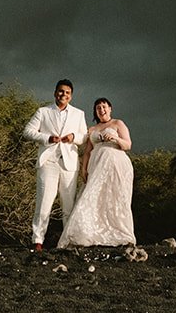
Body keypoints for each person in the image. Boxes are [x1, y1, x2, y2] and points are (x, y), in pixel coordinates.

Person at [58, 97, 135, 248]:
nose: (101, 110)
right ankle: (89, 233)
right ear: (95, 111)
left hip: (116, 164)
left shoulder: (118, 123)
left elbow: (127, 145)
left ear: (110, 108)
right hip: (96, 165)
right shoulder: (92, 130)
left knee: (116, 197)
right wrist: (83, 168)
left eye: (104, 106)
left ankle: (120, 233)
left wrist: (115, 137)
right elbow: (87, 152)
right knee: (92, 196)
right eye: (98, 108)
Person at [24, 79, 87, 251]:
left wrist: (73, 137)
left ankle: (67, 241)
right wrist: (46, 138)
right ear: (55, 93)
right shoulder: (43, 111)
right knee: (44, 202)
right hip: (48, 161)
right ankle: (37, 240)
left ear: (71, 96)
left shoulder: (79, 114)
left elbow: (85, 136)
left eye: (67, 92)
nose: (63, 94)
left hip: (69, 163)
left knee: (68, 204)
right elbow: (28, 131)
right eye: (60, 91)